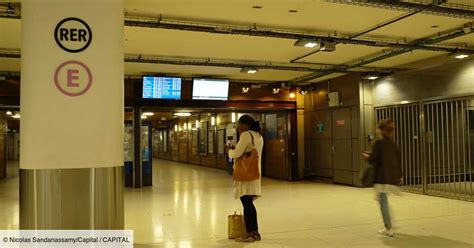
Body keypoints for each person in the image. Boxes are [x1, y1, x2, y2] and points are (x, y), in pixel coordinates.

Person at [226, 115, 264, 242]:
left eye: (239, 124)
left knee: (246, 204)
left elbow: (237, 153)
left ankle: (250, 234)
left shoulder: (246, 135)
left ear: (246, 125)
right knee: (249, 204)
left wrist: (229, 152)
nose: (238, 127)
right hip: (255, 172)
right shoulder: (258, 136)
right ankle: (255, 232)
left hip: (245, 174)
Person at [363, 119, 402, 237]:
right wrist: (400, 175)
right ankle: (390, 223)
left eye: (378, 128)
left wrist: (366, 156)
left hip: (381, 178)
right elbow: (398, 160)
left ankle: (388, 227)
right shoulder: (393, 144)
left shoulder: (378, 143)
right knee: (383, 200)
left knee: (383, 201)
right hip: (391, 177)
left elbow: (373, 159)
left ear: (381, 130)